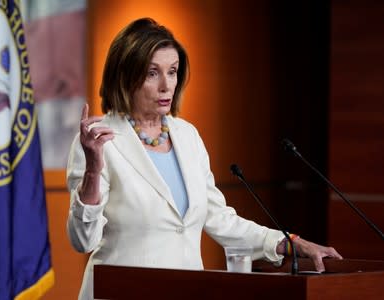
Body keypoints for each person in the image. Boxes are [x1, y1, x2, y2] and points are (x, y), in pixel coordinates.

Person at [66, 17, 342, 300]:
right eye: (152, 73)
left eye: (172, 72)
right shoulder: (99, 141)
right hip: (121, 292)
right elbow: (83, 239)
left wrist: (288, 243)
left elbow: (220, 219)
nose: (166, 85)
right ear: (125, 76)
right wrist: (92, 171)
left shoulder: (187, 136)